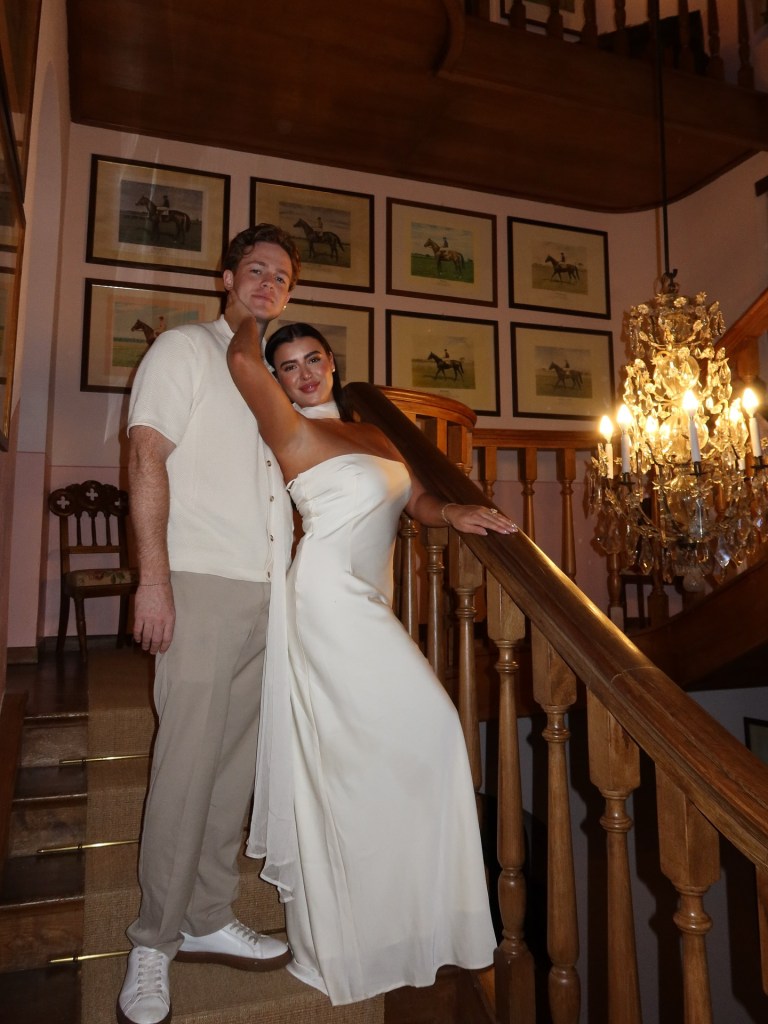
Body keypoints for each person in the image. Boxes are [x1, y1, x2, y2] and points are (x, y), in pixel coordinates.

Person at [227, 316, 517, 1005]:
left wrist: (455, 513)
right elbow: (242, 361)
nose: (304, 373)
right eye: (289, 365)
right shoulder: (289, 429)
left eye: (313, 359)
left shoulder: (374, 430)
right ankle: (350, 933)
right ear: (280, 379)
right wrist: (251, 307)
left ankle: (406, 921)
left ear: (333, 362)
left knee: (386, 755)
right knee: (437, 727)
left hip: (370, 600)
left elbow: (410, 499)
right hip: (328, 602)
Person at [117, 224, 302, 1024]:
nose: (269, 283)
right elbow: (145, 457)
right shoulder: (185, 351)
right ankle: (152, 940)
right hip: (200, 583)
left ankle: (207, 914)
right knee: (188, 763)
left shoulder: (272, 374)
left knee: (233, 767)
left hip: (271, 594)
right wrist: (153, 580)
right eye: (256, 269)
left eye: (283, 276)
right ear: (226, 277)